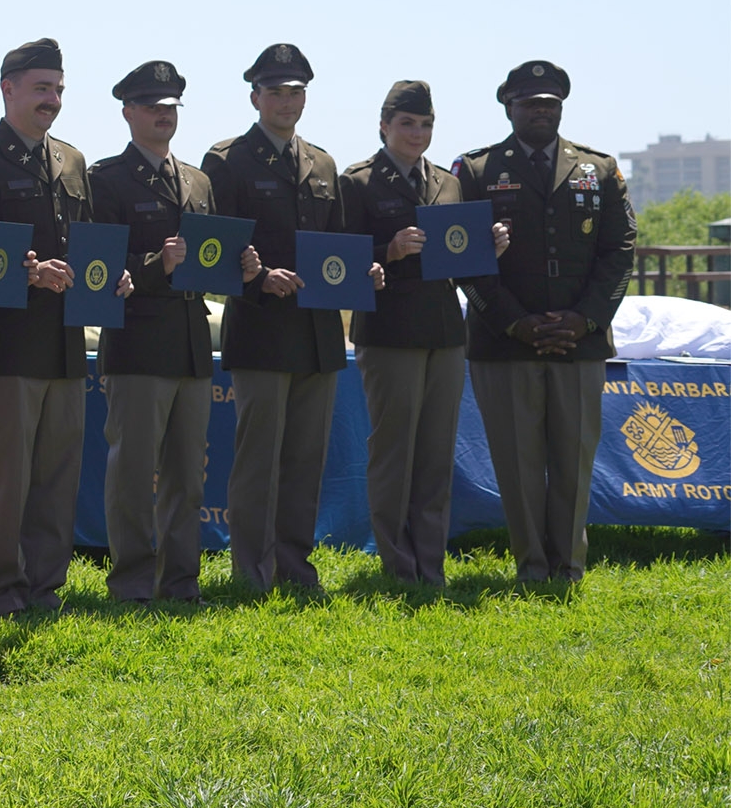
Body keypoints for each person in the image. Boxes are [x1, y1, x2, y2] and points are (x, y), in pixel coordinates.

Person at [202, 43, 378, 593]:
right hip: (261, 330)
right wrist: (255, 278)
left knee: (306, 462)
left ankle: (297, 570)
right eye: (275, 91)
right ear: (255, 96)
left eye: (296, 91)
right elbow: (213, 249)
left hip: (318, 335)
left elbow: (342, 244)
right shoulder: (226, 160)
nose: (287, 101)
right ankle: (251, 571)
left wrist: (363, 271)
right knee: (259, 461)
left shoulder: (323, 163)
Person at [452, 61, 635, 583]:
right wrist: (516, 322)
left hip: (579, 342)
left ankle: (569, 566)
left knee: (574, 461)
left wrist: (585, 319)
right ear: (508, 107)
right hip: (506, 341)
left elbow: (619, 251)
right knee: (518, 463)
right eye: (530, 103)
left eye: (549, 103)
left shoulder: (599, 169)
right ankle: (531, 565)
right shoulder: (477, 171)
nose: (540, 111)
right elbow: (463, 257)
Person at [0, 38, 112, 616]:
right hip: (8, 346)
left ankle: (45, 589)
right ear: (8, 89)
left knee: (57, 476)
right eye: (42, 88)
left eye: (59, 90)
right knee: (6, 481)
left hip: (66, 346)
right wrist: (27, 273)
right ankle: (2, 591)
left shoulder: (71, 160)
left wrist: (110, 278)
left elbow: (89, 239)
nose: (52, 100)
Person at [339, 80, 512, 586]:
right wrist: (386, 251)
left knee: (436, 453)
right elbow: (339, 262)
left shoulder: (448, 182)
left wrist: (489, 249)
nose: (417, 133)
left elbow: (460, 264)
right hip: (389, 332)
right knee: (394, 452)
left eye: (426, 124)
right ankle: (397, 564)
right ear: (384, 125)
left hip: (443, 333)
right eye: (407, 123)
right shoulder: (358, 182)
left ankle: (430, 564)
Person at [89, 61, 217, 603]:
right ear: (128, 112)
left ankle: (181, 581)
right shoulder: (107, 179)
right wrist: (153, 265)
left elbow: (212, 257)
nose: (163, 116)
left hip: (191, 341)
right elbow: (101, 268)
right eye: (151, 107)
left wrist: (239, 263)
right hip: (138, 342)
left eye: (170, 108)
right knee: (133, 476)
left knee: (188, 475)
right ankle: (133, 582)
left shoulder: (198, 180)